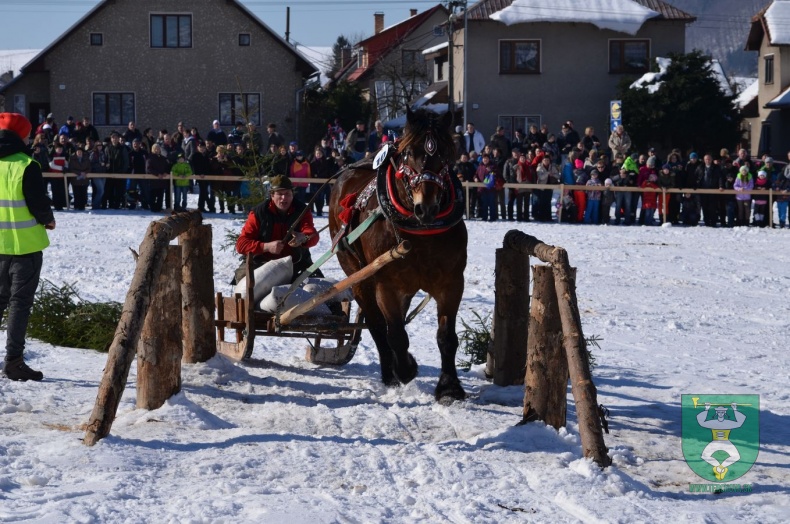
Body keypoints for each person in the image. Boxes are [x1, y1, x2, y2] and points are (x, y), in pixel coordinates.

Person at [0, 113, 56, 381]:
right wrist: (48, 219)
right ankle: (14, 361)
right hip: (25, 248)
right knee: (19, 304)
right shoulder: (26, 165)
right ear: (21, 135)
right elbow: (37, 202)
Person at [234, 175, 320, 285]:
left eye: (287, 194)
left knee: (320, 288)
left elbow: (313, 234)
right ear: (272, 195)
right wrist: (266, 247)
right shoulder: (258, 213)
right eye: (280, 194)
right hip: (262, 263)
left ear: (292, 195)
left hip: (297, 263)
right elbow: (241, 244)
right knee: (243, 280)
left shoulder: (302, 211)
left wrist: (303, 237)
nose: (284, 198)